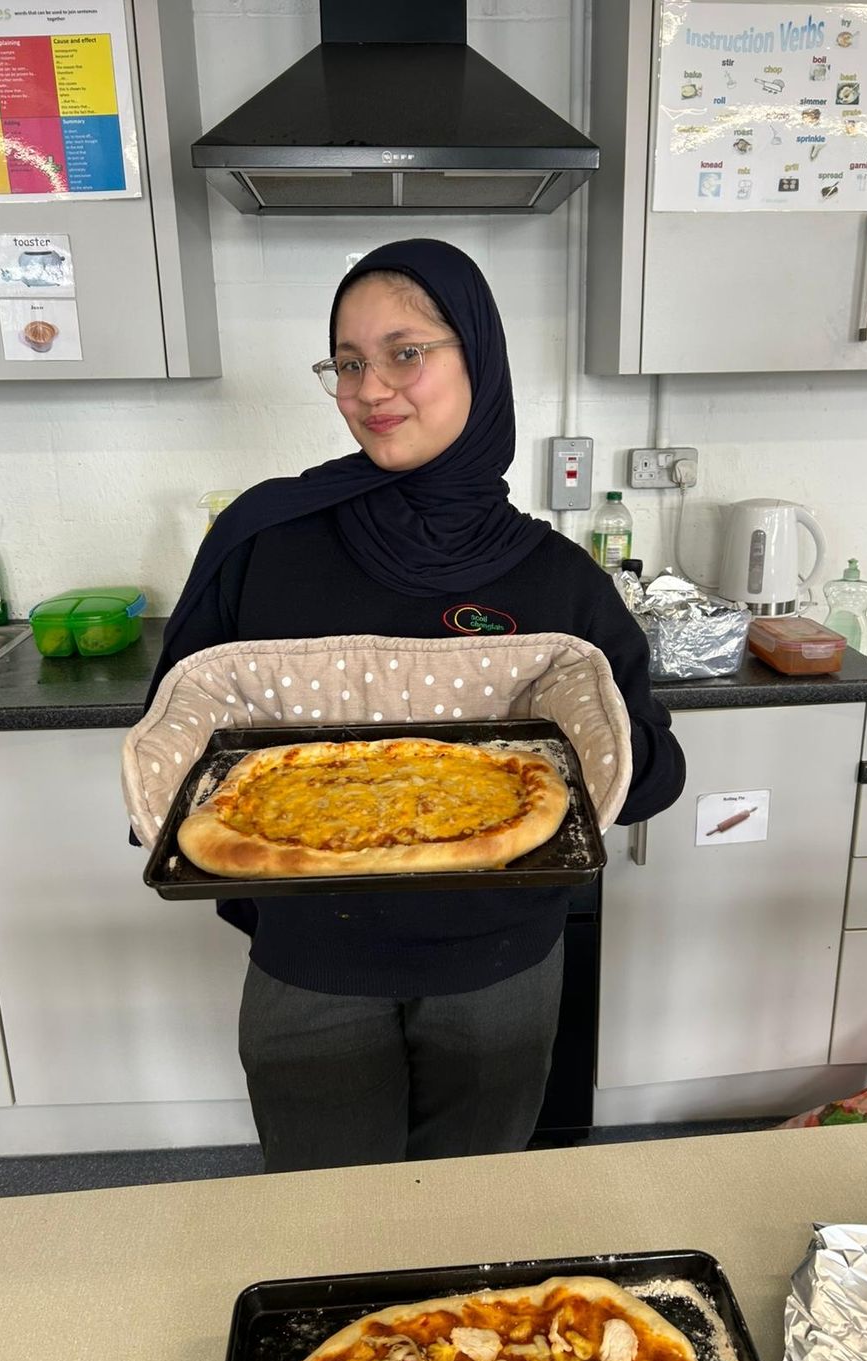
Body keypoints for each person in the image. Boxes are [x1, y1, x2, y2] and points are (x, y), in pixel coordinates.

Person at [143, 238, 685, 1173]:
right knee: (323, 1212)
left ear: (480, 358)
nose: (370, 389)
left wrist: (594, 742)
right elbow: (187, 744)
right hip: (311, 959)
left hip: (500, 964)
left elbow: (653, 776)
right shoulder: (266, 540)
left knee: (466, 1213)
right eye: (347, 363)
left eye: (405, 352)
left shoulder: (555, 577)